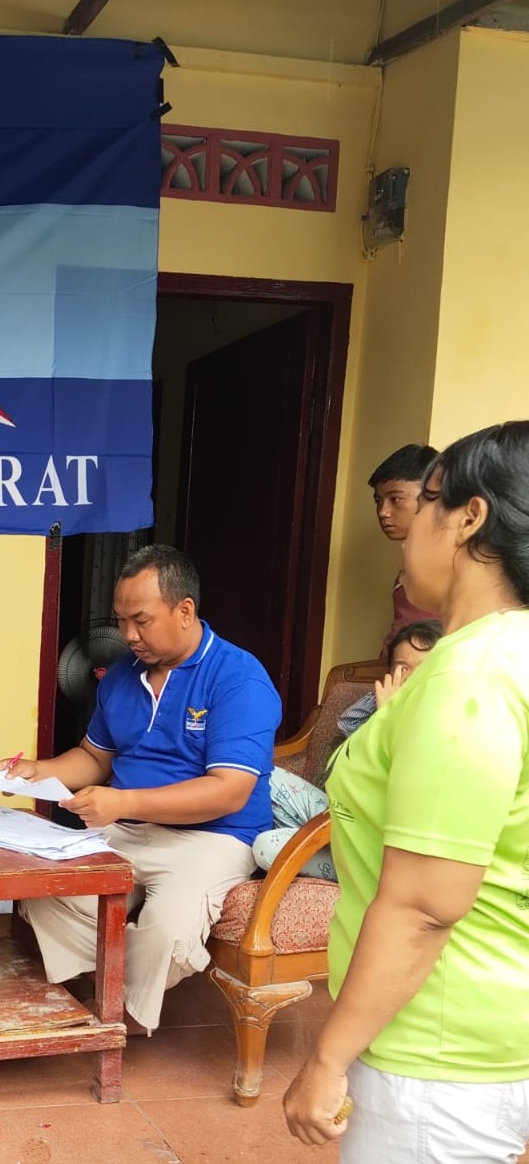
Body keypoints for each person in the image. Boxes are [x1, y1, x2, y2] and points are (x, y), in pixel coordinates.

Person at [284, 421, 529, 1161]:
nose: (405, 526)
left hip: (437, 1047)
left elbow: (424, 906)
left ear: (469, 517)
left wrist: (327, 1058)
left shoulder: (468, 678)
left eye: (424, 501)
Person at [0, 544, 281, 1034]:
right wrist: (37, 771)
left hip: (213, 836)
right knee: (42, 889)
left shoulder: (239, 679)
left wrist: (123, 801)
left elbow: (229, 792)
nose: (128, 635)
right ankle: (125, 978)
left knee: (168, 926)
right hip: (126, 830)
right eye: (121, 620)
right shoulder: (121, 677)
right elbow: (94, 758)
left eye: (141, 621)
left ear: (185, 611)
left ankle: (125, 1008)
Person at [252, 619, 442, 883]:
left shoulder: (448, 726)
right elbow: (348, 726)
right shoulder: (377, 710)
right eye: (402, 668)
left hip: (376, 845)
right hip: (337, 817)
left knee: (266, 846)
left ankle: (352, 873)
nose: (409, 678)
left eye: (424, 668)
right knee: (256, 774)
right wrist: (387, 708)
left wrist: (389, 719)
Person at [369, 443, 440, 657]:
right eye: (379, 501)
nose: (383, 511)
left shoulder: (450, 564)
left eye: (396, 499)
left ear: (434, 497)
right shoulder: (411, 560)